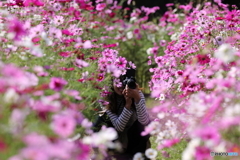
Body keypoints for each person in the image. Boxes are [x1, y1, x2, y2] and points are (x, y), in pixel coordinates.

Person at [92, 69, 151, 160]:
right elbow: (119, 127)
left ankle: (138, 155)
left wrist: (137, 99)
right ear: (112, 81)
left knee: (145, 124)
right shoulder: (105, 97)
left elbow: (144, 122)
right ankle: (103, 154)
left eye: (124, 82)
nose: (121, 86)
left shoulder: (137, 94)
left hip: (133, 136)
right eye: (118, 82)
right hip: (115, 135)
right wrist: (127, 105)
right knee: (100, 121)